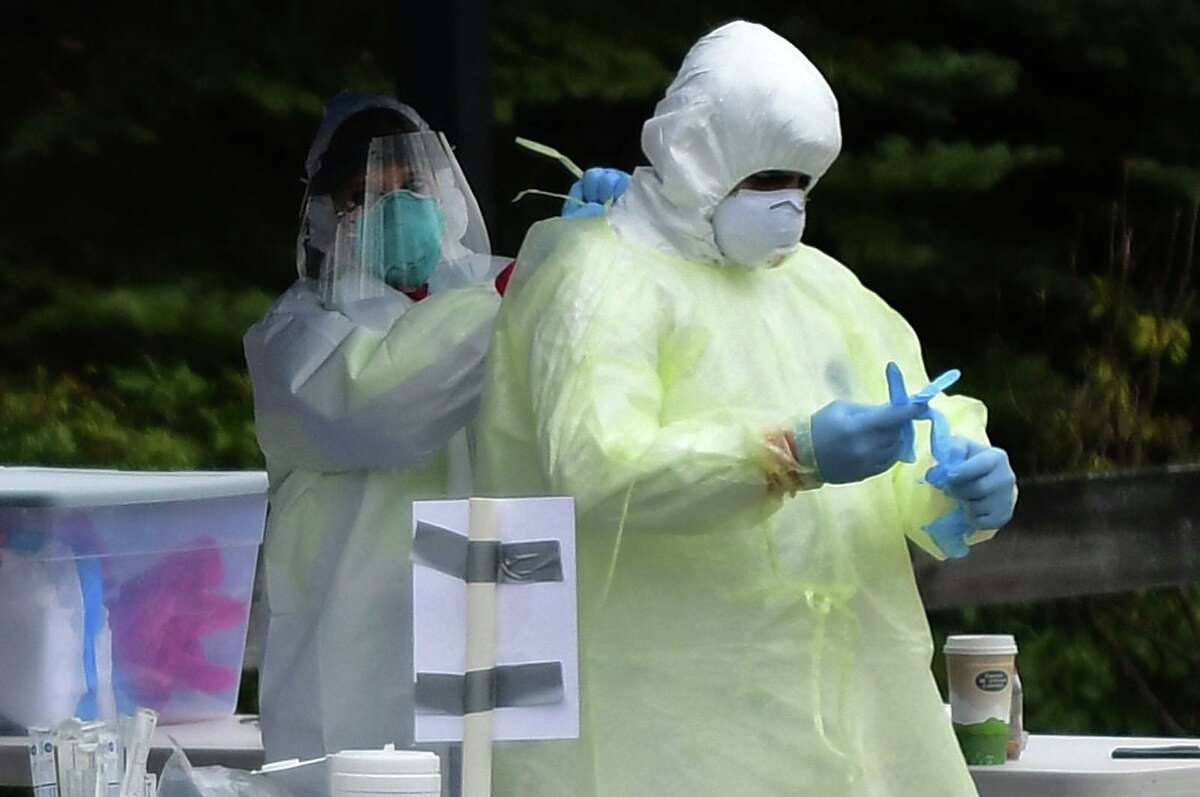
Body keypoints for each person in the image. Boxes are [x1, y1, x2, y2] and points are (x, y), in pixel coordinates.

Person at [474, 22, 1017, 796]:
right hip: (667, 720)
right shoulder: (601, 281)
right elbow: (596, 470)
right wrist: (788, 454)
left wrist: (956, 482)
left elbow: (913, 424)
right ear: (700, 156)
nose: (789, 204)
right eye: (767, 178)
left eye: (803, 182)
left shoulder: (821, 287)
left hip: (851, 712)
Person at [242, 91, 628, 788]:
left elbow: (614, 374)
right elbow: (381, 401)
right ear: (328, 216)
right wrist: (537, 277)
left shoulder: (510, 283)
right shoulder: (297, 338)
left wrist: (622, 247)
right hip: (356, 647)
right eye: (364, 194)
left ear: (445, 188)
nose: (395, 206)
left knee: (511, 777)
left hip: (506, 608)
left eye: (410, 184)